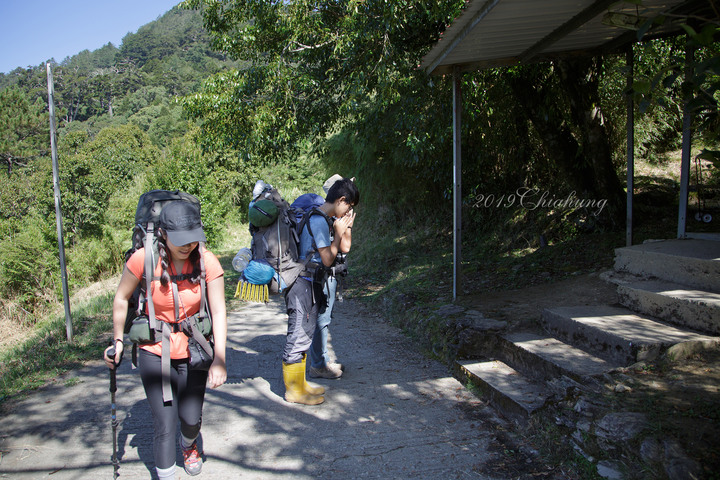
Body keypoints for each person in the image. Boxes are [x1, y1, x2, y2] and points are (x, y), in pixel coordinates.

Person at [103, 201, 227, 479]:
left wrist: (220, 358)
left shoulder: (207, 261)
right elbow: (122, 298)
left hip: (195, 349)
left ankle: (189, 444)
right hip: (155, 350)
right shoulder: (143, 260)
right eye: (181, 241)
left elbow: (218, 311)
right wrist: (118, 341)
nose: (188, 246)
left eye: (193, 239)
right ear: (163, 234)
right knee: (165, 424)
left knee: (190, 419)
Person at [302, 178, 359, 379]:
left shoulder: (327, 218)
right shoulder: (318, 220)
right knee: (319, 322)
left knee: (323, 320)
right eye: (348, 206)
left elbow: (345, 248)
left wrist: (346, 226)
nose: (348, 211)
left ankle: (321, 361)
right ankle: (318, 365)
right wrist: (337, 234)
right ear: (341, 200)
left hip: (322, 278)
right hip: (314, 278)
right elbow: (327, 259)